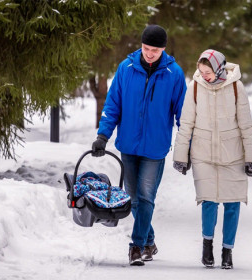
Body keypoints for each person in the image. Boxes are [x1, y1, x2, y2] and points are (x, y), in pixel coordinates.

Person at [92, 24, 187, 266]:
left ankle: (136, 246)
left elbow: (183, 115)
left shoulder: (174, 74)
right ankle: (149, 241)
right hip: (129, 146)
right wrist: (103, 136)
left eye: (155, 50)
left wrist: (185, 148)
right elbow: (113, 104)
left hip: (155, 149)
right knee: (134, 199)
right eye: (146, 48)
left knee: (146, 197)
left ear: (163, 49)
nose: (149, 53)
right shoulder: (126, 68)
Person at [173, 49, 252, 269]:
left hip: (232, 154)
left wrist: (251, 157)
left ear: (219, 68)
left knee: (232, 203)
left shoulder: (235, 87)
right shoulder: (194, 88)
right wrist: (181, 156)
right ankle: (207, 246)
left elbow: (246, 125)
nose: (204, 76)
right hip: (203, 153)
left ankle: (227, 251)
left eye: (208, 72)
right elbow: (186, 124)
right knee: (208, 201)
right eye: (201, 72)